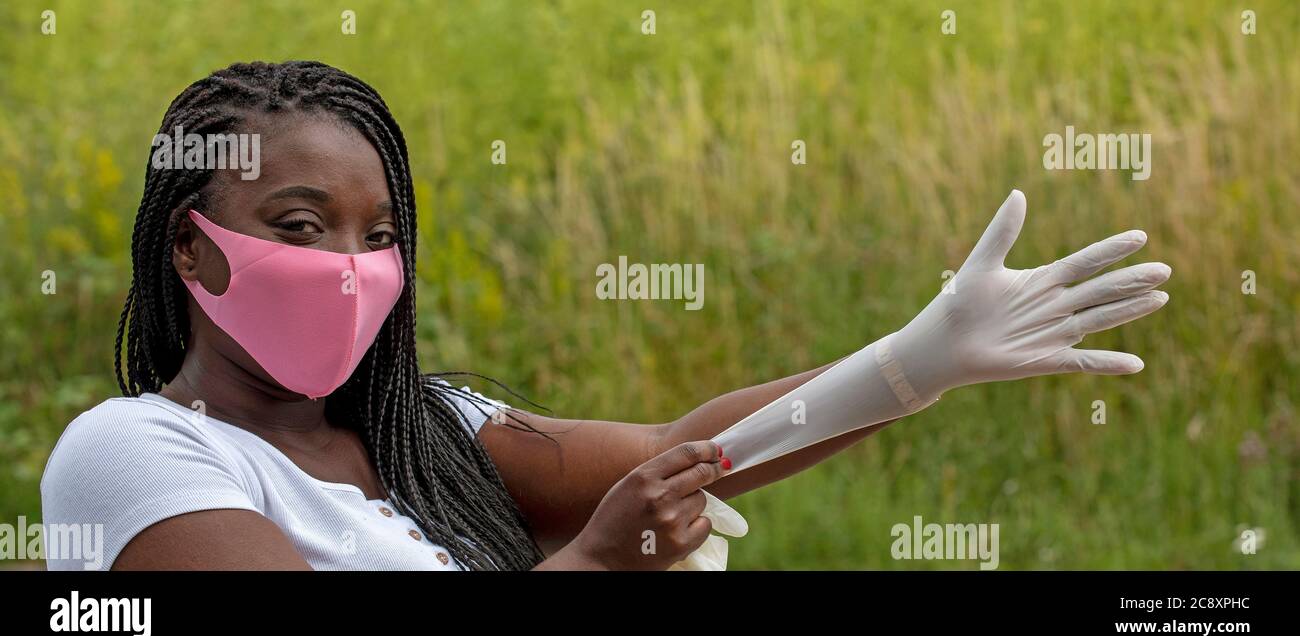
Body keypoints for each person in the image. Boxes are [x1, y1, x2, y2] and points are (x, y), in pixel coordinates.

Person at [40, 61, 1171, 571]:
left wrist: (914, 362)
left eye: (379, 236)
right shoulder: (135, 453)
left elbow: (691, 456)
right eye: (299, 226)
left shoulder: (426, 428)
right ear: (191, 246)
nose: (348, 266)